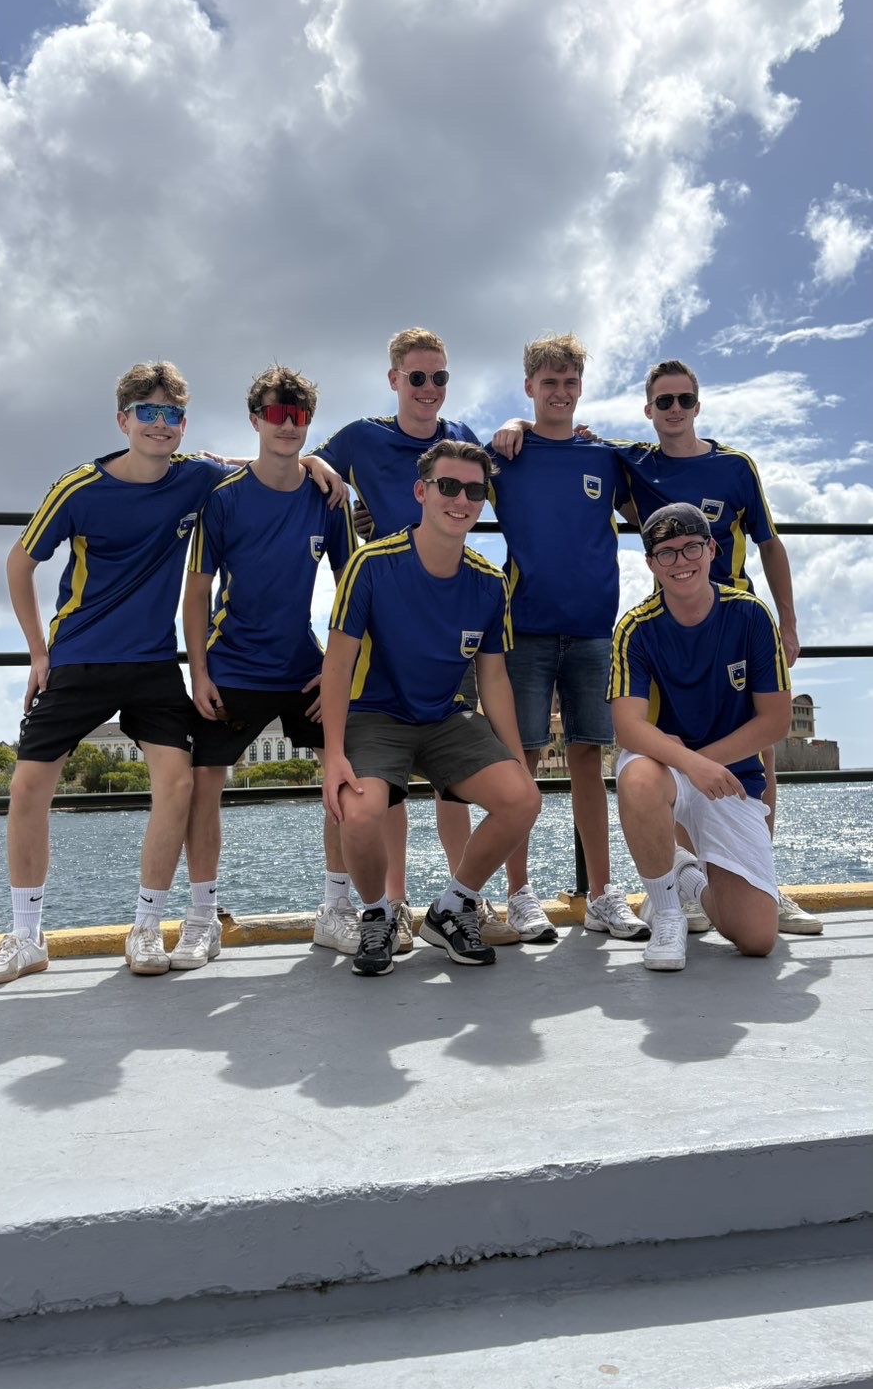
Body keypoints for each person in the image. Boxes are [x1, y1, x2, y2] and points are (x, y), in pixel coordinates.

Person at [0, 362, 231, 985]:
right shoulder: (79, 488)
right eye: (147, 412)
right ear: (123, 420)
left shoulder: (197, 476)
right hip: (78, 658)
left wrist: (313, 464)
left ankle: (146, 927)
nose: (160, 424)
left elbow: (258, 469)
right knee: (27, 788)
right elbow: (19, 563)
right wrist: (37, 653)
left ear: (183, 424)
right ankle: (26, 937)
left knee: (177, 785)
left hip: (152, 663)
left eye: (172, 414)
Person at [314, 328, 521, 946]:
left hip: (447, 652)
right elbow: (304, 460)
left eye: (440, 377)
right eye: (418, 377)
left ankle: (456, 906)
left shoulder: (460, 446)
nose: (429, 388)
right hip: (383, 652)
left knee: (492, 785)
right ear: (395, 380)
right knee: (373, 797)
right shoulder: (364, 439)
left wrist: (518, 421)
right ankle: (387, 908)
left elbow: (495, 679)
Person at [610, 359, 819, 935]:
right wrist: (517, 426)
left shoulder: (734, 466)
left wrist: (789, 621)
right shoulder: (633, 464)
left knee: (760, 748)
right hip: (672, 622)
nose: (674, 409)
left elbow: (769, 544)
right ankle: (688, 880)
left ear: (698, 405)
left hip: (736, 620)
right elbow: (570, 450)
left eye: (684, 399)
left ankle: (761, 879)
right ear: (649, 410)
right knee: (672, 742)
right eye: (664, 401)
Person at [180, 365, 357, 968]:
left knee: (344, 774)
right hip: (231, 665)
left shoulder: (329, 498)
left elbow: (353, 589)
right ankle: (202, 917)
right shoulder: (223, 498)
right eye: (277, 414)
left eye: (299, 416)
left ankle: (336, 909)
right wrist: (199, 673)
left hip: (304, 666)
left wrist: (337, 669)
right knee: (204, 782)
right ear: (255, 419)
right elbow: (196, 593)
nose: (288, 425)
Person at [487, 334, 644, 943]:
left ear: (581, 386)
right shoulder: (505, 453)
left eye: (569, 382)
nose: (559, 392)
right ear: (529, 387)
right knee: (520, 762)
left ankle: (601, 895)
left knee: (589, 760)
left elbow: (651, 511)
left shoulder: (605, 458)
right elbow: (439, 479)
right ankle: (518, 895)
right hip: (523, 628)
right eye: (548, 382)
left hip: (592, 630)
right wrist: (511, 424)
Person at [608, 503, 792, 971]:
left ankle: (687, 877)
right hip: (667, 768)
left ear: (712, 549)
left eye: (691, 547)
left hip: (729, 775)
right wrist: (689, 764)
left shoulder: (751, 615)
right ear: (651, 563)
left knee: (757, 938)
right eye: (666, 553)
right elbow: (628, 726)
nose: (681, 561)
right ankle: (667, 913)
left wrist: (703, 762)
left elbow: (775, 721)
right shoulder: (635, 627)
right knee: (638, 779)